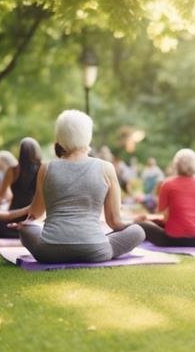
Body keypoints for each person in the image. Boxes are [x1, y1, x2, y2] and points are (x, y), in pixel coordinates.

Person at [17, 110, 145, 263]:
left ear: (59, 137)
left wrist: (23, 224)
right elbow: (115, 222)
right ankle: (99, 241)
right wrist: (130, 225)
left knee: (25, 229)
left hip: (49, 251)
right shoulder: (106, 168)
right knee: (138, 231)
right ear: (88, 135)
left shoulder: (46, 168)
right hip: (95, 250)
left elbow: (36, 213)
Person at [0, 138, 42, 238]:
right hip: (33, 221)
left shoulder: (13, 170)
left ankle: (11, 231)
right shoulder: (43, 170)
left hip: (12, 218)